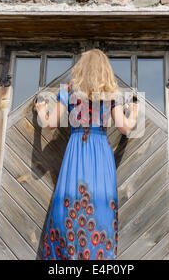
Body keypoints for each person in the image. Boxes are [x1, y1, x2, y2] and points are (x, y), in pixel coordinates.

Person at [35, 49, 139, 260]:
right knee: (101, 206)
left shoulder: (68, 91)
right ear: (105, 71)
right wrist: (134, 110)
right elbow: (125, 128)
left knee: (69, 205)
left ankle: (66, 258)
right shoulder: (111, 95)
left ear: (80, 68)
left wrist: (40, 109)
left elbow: (49, 124)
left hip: (76, 150)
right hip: (100, 151)